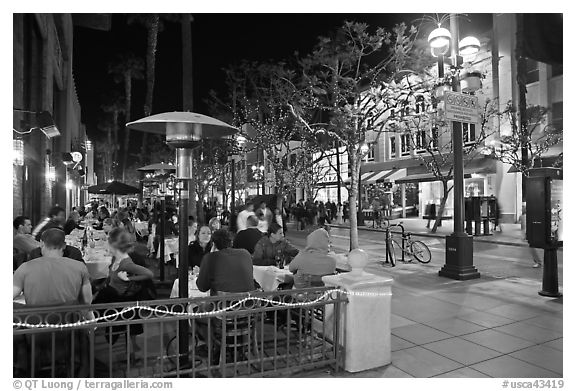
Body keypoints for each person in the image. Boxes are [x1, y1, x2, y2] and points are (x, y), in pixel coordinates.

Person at [13, 229, 93, 307]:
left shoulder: (24, 268)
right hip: (69, 318)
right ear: (64, 245)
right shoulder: (80, 267)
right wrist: (91, 319)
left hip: (35, 318)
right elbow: (87, 302)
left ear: (41, 243)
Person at [196, 229, 255, 295]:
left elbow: (202, 287)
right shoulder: (245, 253)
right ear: (231, 242)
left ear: (214, 244)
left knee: (197, 304)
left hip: (223, 303)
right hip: (249, 302)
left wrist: (211, 253)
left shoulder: (210, 258)